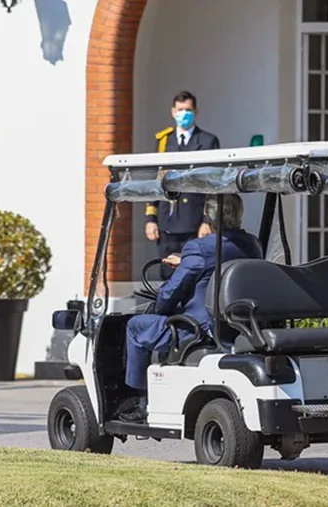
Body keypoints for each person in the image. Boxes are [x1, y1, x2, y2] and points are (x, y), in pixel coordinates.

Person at [120, 194, 263, 423]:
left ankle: (140, 402)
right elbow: (213, 264)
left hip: (198, 329)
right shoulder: (252, 244)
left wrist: (159, 307)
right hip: (238, 325)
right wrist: (184, 260)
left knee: (136, 326)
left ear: (208, 216)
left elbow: (171, 293)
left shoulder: (200, 248)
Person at [145, 90, 221, 280]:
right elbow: (156, 180)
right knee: (167, 274)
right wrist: (150, 219)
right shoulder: (164, 141)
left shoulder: (207, 141)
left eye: (187, 110)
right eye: (180, 110)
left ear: (195, 111)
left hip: (194, 221)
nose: (183, 114)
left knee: (193, 272)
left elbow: (213, 184)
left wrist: (207, 221)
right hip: (167, 220)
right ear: (173, 111)